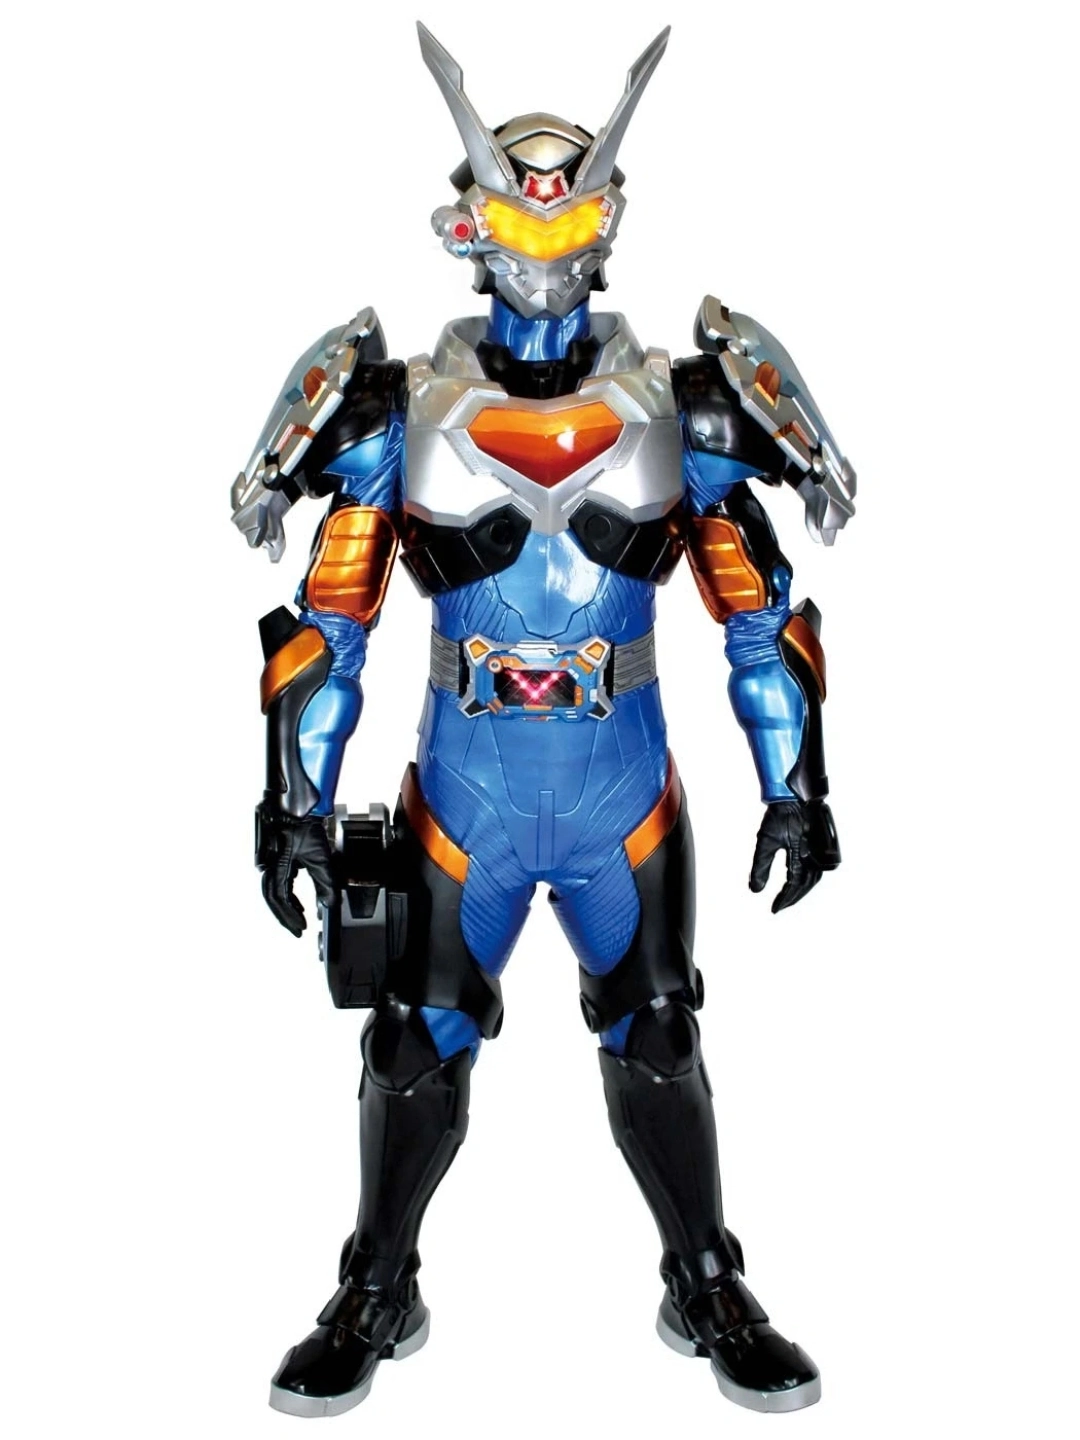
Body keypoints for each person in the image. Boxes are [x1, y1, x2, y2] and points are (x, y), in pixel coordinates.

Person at [231, 22, 855, 1418]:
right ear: (467, 223)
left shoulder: (688, 409)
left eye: (572, 208)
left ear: (609, 221)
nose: (546, 239)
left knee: (660, 1035)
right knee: (413, 1043)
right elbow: (329, 624)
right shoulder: (395, 412)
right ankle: (377, 1288)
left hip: (626, 794)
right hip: (467, 802)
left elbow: (758, 612)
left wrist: (798, 783)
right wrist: (293, 801)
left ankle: (705, 1284)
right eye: (519, 208)